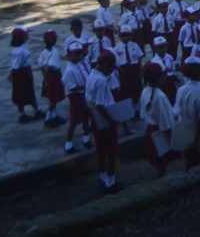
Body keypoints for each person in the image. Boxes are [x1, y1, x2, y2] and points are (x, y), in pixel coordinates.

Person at [85, 49, 120, 191]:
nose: (111, 73)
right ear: (106, 66)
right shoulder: (101, 81)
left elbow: (89, 100)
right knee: (111, 151)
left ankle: (103, 177)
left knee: (101, 150)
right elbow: (100, 105)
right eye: (111, 69)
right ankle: (110, 182)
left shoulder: (91, 75)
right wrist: (112, 120)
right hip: (105, 120)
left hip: (95, 118)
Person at [174, 56, 200, 170]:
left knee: (190, 165)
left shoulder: (180, 90)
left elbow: (177, 113)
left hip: (186, 132)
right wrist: (196, 142)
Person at [139, 62, 177, 177]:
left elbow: (142, 114)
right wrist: (172, 139)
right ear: (159, 78)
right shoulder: (160, 97)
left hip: (150, 130)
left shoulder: (145, 91)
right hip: (161, 132)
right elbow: (166, 123)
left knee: (159, 162)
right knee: (163, 163)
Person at [62, 42, 93, 153]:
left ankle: (86, 138)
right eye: (75, 53)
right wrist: (86, 85)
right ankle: (68, 144)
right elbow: (72, 87)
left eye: (80, 53)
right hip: (76, 96)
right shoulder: (69, 70)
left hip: (84, 94)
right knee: (74, 120)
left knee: (86, 117)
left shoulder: (81, 64)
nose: (78, 56)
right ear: (69, 55)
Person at [9, 26, 44, 123]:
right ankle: (24, 114)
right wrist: (11, 75)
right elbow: (15, 66)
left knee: (28, 92)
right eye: (26, 34)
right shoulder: (19, 51)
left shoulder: (21, 47)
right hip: (22, 74)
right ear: (22, 37)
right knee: (22, 93)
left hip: (25, 73)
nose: (28, 35)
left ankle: (35, 110)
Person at [38, 29, 66, 127]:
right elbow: (51, 66)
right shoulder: (54, 52)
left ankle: (54, 116)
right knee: (53, 98)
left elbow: (41, 65)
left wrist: (45, 77)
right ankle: (48, 118)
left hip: (48, 76)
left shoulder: (43, 52)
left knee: (53, 97)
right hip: (54, 76)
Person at [113, 26, 144, 112]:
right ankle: (129, 110)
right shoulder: (117, 48)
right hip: (124, 72)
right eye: (123, 35)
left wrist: (141, 71)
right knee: (126, 91)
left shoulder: (135, 45)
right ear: (120, 36)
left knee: (136, 90)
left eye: (127, 35)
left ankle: (137, 109)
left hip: (134, 70)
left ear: (130, 36)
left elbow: (139, 59)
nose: (125, 37)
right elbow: (116, 63)